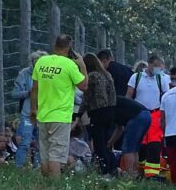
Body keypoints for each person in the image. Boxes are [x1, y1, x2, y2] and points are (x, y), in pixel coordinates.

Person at [30, 35, 88, 179]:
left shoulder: (41, 62)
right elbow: (84, 85)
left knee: (45, 154)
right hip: (60, 117)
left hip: (43, 115)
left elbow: (35, 89)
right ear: (69, 48)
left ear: (55, 46)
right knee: (56, 155)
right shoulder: (69, 65)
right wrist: (82, 65)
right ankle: (55, 189)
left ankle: (45, 184)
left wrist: (33, 109)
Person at [126, 55, 171, 179]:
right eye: (156, 66)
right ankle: (139, 170)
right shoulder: (136, 77)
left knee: (154, 143)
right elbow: (129, 96)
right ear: (150, 64)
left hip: (155, 113)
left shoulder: (161, 79)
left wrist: (165, 116)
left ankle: (152, 174)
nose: (158, 69)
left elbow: (166, 98)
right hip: (139, 112)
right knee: (140, 142)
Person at [81, 53, 118, 175]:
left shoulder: (91, 76)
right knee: (107, 144)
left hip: (97, 112)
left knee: (99, 145)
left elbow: (86, 98)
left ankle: (104, 170)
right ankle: (113, 168)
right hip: (111, 111)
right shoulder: (107, 75)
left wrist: (78, 113)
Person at [11, 51, 46, 167]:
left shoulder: (47, 75)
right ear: (32, 62)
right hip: (27, 113)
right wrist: (28, 93)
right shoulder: (24, 74)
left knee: (41, 144)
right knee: (25, 142)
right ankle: (18, 168)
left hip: (44, 113)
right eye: (35, 62)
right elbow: (14, 94)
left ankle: (38, 169)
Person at [107, 96, 150, 177]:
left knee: (128, 148)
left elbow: (119, 129)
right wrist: (110, 143)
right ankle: (135, 173)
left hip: (137, 117)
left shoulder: (109, 106)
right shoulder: (117, 104)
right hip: (146, 115)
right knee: (134, 148)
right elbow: (119, 129)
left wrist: (109, 143)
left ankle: (129, 175)